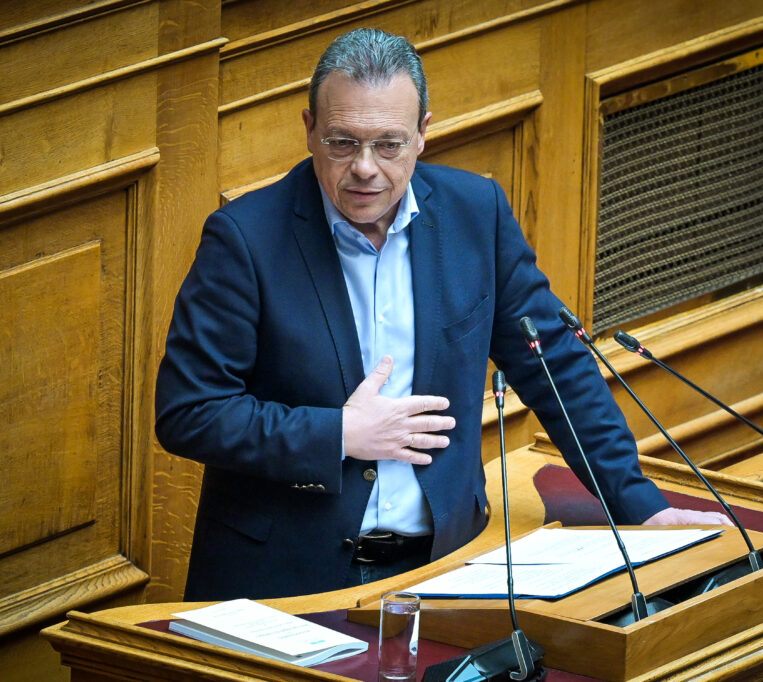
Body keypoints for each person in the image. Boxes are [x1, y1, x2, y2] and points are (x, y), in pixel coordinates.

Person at [155, 27, 730, 601]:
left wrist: (640, 505)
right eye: (342, 142)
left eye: (389, 144)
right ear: (309, 130)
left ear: (423, 134)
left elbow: (552, 363)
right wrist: (340, 434)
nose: (364, 167)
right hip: (285, 581)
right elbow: (190, 411)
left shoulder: (475, 213)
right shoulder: (244, 239)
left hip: (445, 566)